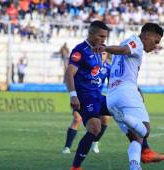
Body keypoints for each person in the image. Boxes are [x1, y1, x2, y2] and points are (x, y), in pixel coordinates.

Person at [94, 23, 164, 170]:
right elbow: (124, 50)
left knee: (135, 137)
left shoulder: (126, 42)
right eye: (156, 41)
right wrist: (106, 48)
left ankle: (135, 166)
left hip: (112, 96)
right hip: (126, 93)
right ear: (147, 35)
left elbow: (122, 63)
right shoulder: (136, 42)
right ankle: (123, 116)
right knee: (145, 130)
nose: (155, 46)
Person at [65, 20, 110, 170]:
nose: (104, 40)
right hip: (85, 96)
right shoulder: (80, 50)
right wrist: (73, 95)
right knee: (94, 128)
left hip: (98, 95)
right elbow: (69, 73)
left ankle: (144, 150)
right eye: (101, 36)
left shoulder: (99, 51)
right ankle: (75, 167)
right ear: (91, 34)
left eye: (105, 37)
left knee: (125, 108)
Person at [62, 52, 111, 155]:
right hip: (83, 96)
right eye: (100, 53)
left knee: (106, 118)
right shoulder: (89, 63)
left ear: (107, 55)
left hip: (97, 98)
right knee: (77, 119)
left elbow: (111, 84)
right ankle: (67, 147)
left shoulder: (108, 68)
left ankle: (95, 142)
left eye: (104, 53)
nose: (102, 55)